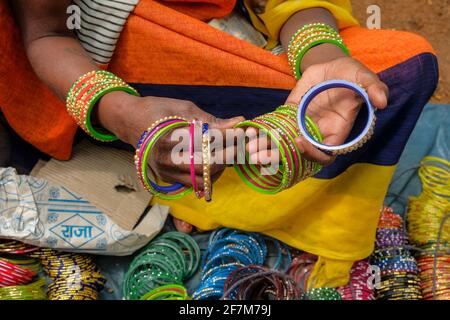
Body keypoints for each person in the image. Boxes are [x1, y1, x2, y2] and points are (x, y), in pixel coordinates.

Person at [0, 0, 438, 287]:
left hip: (231, 27)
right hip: (111, 55)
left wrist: (320, 54)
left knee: (402, 67)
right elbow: (46, 36)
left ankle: (208, 182)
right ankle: (167, 165)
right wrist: (125, 116)